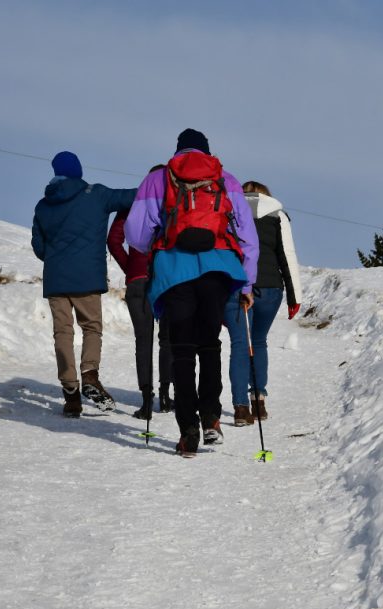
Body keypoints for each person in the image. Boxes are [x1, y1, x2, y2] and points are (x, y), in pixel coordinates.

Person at [124, 129, 258, 456]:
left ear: (178, 151)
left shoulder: (159, 179)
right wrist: (248, 283)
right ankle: (212, 416)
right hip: (219, 269)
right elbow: (247, 235)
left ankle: (188, 431)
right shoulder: (227, 180)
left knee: (181, 347)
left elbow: (136, 234)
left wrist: (160, 242)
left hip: (174, 271)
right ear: (207, 153)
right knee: (209, 343)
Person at [32, 151, 137, 418]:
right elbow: (132, 196)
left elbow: (39, 247)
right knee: (91, 328)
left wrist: (58, 257)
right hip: (87, 278)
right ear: (79, 170)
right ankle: (90, 374)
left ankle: (70, 396)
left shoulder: (43, 205)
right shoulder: (97, 194)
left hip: (56, 279)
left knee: (62, 333)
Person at [223, 180, 302, 426]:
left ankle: (240, 408)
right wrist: (294, 296)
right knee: (258, 342)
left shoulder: (228, 210)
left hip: (236, 285)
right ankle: (258, 399)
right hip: (270, 288)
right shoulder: (278, 215)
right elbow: (286, 255)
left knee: (239, 344)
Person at [107, 168, 173, 419]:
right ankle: (166, 397)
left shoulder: (133, 203)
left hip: (138, 280)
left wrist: (131, 268)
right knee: (168, 338)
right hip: (167, 280)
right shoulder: (172, 205)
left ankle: (146, 402)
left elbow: (114, 240)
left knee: (143, 340)